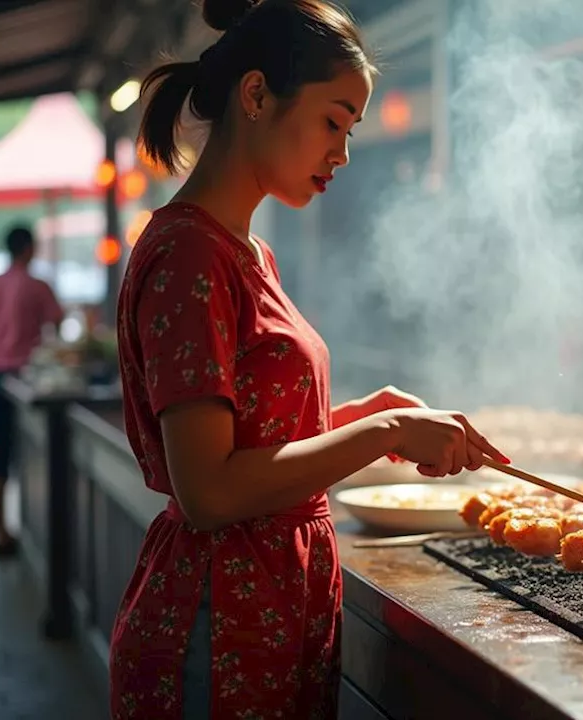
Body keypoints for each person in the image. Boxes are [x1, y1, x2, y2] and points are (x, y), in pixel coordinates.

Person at [110, 1, 509, 717]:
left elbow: (251, 434)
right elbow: (209, 490)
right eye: (333, 121)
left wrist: (363, 414)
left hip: (268, 608)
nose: (343, 152)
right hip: (217, 622)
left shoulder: (247, 250)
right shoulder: (189, 252)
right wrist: (382, 436)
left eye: (350, 129)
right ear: (256, 96)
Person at [0, 225, 64, 558]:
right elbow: (57, 325)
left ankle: (2, 532)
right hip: (22, 378)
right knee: (33, 454)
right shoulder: (37, 286)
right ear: (29, 249)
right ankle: (38, 536)